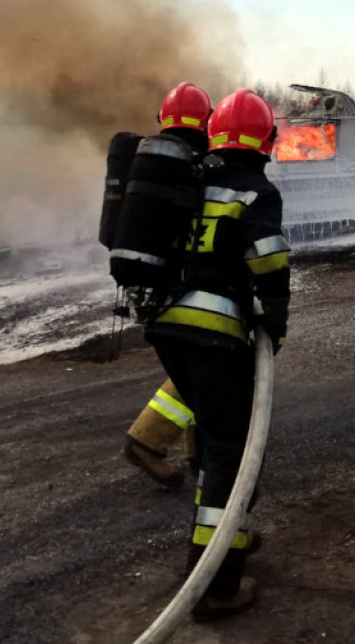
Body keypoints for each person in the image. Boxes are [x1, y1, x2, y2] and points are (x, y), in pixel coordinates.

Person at [145, 88, 290, 621]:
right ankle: (215, 584)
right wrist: (277, 321)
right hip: (214, 334)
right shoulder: (256, 190)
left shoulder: (190, 178)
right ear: (267, 140)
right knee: (233, 450)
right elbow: (268, 261)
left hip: (167, 327)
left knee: (213, 435)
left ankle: (231, 538)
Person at [122, 82, 212, 489]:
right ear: (206, 121)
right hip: (181, 287)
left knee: (198, 365)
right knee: (201, 368)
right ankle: (146, 442)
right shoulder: (193, 166)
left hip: (151, 286)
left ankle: (199, 452)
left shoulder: (152, 162)